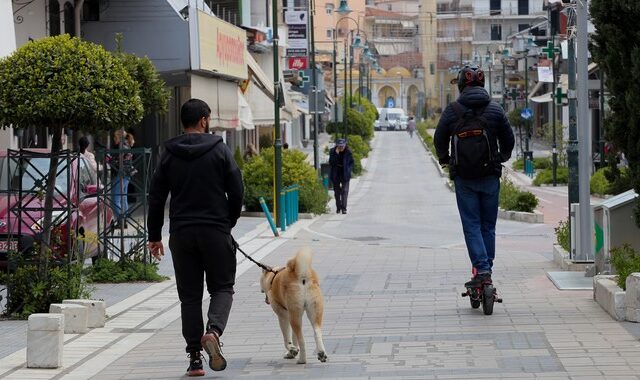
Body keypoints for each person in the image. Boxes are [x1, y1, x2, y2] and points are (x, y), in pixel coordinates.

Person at [147, 99, 243, 376]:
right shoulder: (220, 150)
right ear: (203, 120)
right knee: (222, 287)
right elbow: (237, 191)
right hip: (215, 231)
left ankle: (194, 360)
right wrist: (229, 222)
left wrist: (155, 236)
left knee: (190, 298)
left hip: (182, 234)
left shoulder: (168, 153)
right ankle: (213, 331)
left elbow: (156, 198)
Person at [434, 65, 514, 289]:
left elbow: (439, 139)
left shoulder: (452, 111)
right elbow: (509, 140)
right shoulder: (496, 109)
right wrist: (501, 157)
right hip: (490, 176)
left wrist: (445, 159)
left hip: (464, 179)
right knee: (488, 226)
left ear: (461, 85)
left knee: (471, 225)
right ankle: (486, 268)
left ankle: (482, 269)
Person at [111, 129, 134, 228]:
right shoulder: (127, 145)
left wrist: (109, 159)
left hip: (120, 174)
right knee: (123, 197)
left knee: (115, 199)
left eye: (114, 137)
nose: (113, 139)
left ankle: (121, 219)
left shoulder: (121, 146)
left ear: (118, 137)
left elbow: (118, 162)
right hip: (127, 174)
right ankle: (124, 219)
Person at [329, 138, 354, 214]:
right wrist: (336, 154)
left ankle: (344, 208)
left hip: (345, 174)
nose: (341, 148)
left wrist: (349, 170)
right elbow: (331, 163)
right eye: (340, 146)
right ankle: (338, 207)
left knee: (344, 191)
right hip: (336, 174)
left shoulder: (348, 152)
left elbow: (351, 162)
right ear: (337, 146)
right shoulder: (333, 151)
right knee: (337, 192)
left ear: (345, 145)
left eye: (342, 146)